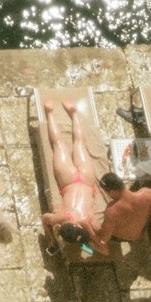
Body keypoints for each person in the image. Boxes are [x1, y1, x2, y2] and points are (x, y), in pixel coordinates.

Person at [39, 97, 108, 256]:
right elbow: (44, 218)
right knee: (62, 144)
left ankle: (70, 113)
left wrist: (87, 242)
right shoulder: (60, 218)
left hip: (85, 181)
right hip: (69, 181)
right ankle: (52, 113)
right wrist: (51, 238)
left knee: (72, 144)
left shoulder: (87, 224)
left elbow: (103, 250)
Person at [96, 171, 151, 246]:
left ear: (111, 191)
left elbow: (105, 239)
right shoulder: (146, 194)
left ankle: (88, 246)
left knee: (93, 228)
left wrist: (95, 238)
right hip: (141, 230)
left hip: (124, 237)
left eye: (106, 192)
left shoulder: (111, 211)